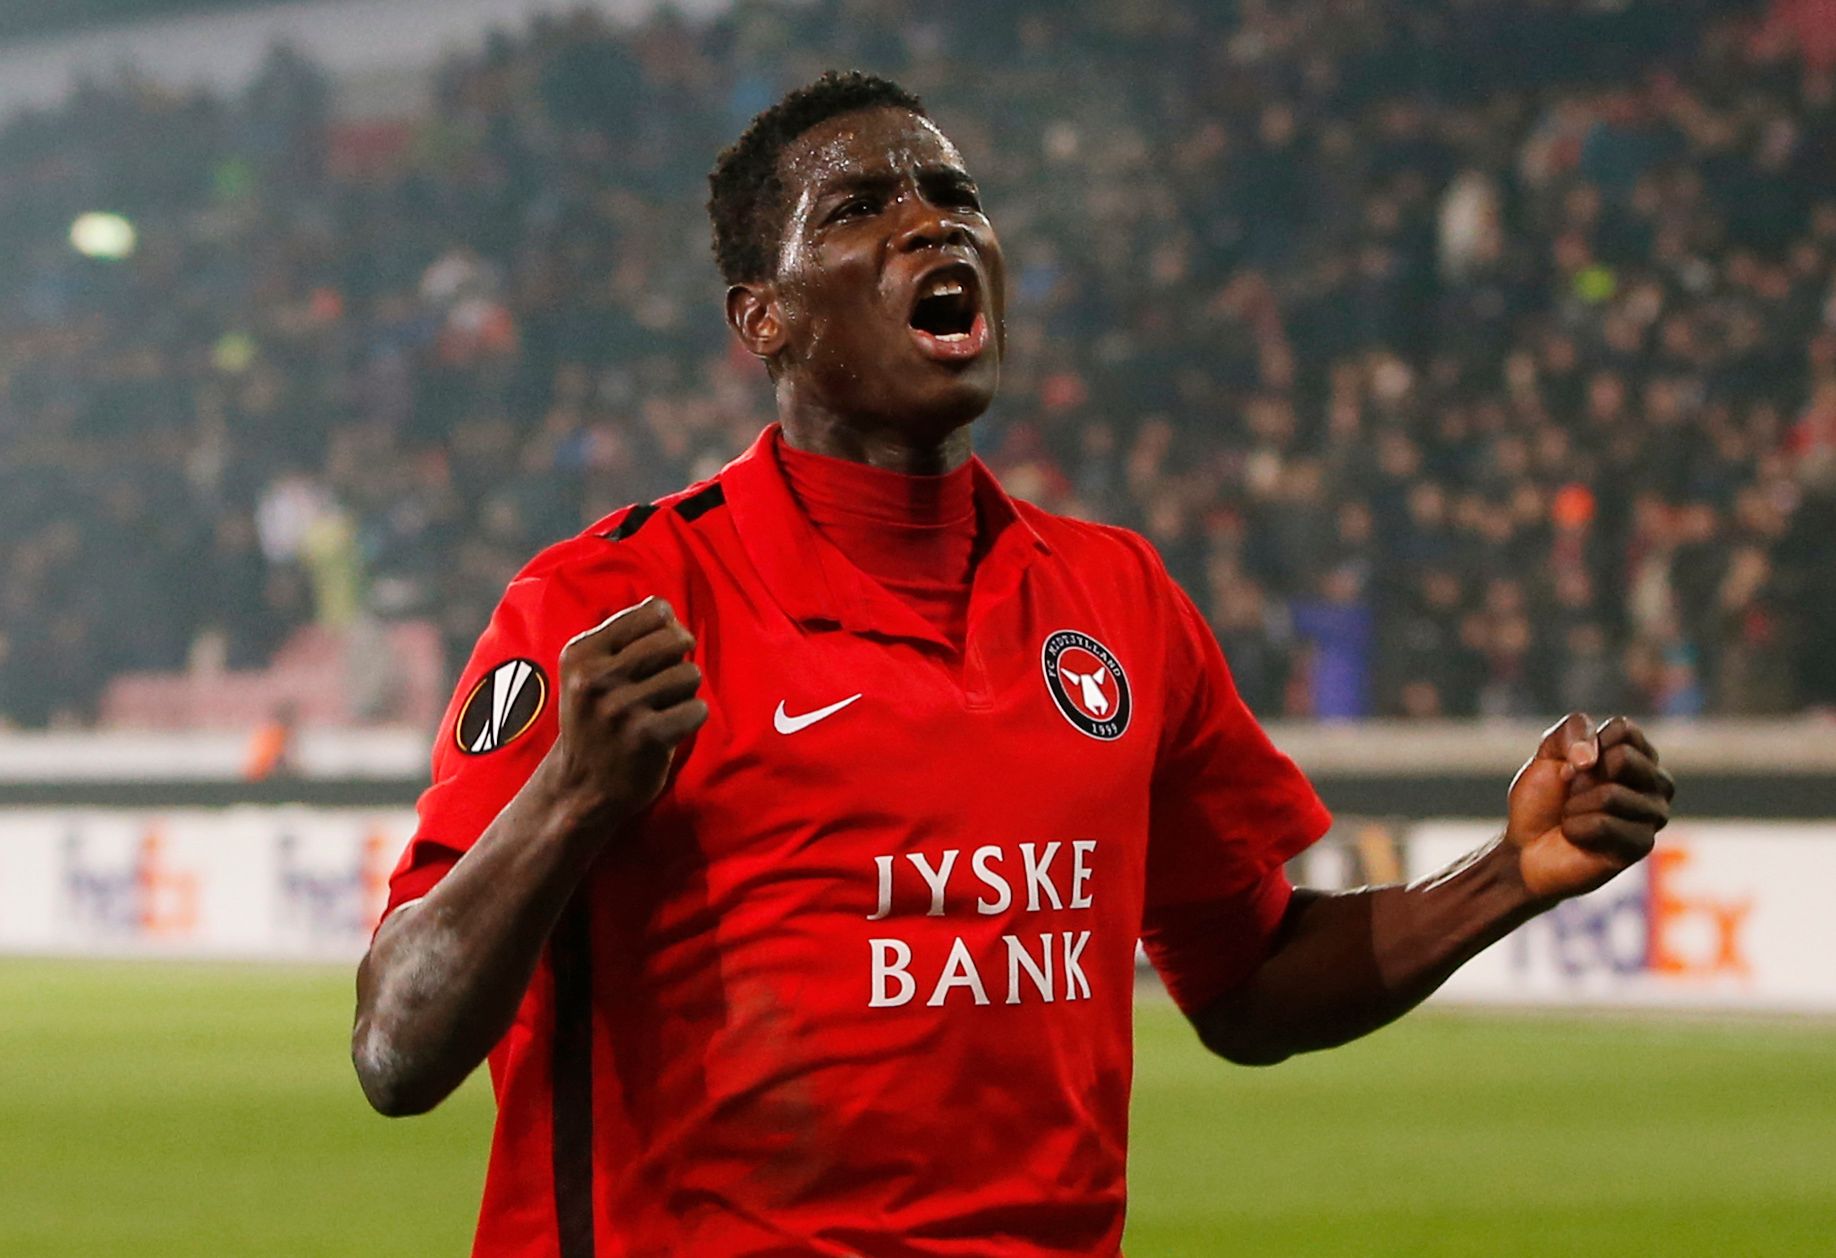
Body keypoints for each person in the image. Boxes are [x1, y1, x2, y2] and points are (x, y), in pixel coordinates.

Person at [351, 72, 1675, 1258]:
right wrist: (571, 794)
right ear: (763, 319)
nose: (932, 225)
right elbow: (397, 1047)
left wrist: (1511, 874)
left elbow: (1252, 978)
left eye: (956, 196)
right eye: (861, 207)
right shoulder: (610, 603)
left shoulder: (1118, 600)